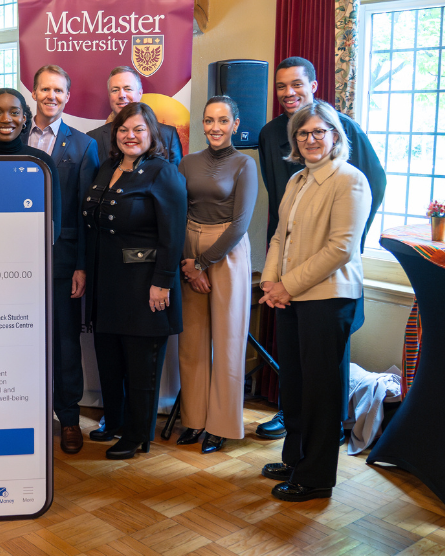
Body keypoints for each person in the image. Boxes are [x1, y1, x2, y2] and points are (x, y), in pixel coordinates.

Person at [255, 57, 386, 439]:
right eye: (281, 86)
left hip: (329, 274)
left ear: (314, 85)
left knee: (325, 372)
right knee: (296, 367)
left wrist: (345, 246)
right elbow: (280, 214)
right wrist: (274, 277)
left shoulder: (344, 136)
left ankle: (324, 445)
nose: (288, 92)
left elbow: (367, 191)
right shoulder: (271, 137)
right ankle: (292, 433)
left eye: (297, 84)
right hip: (288, 268)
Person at [258, 100, 370, 501]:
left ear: (335, 136)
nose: (310, 139)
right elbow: (278, 237)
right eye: (303, 133)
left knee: (321, 391)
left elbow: (340, 249)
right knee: (296, 384)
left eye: (319, 132)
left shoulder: (349, 180)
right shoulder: (297, 180)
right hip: (289, 297)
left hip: (327, 300)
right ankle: (295, 459)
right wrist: (270, 283)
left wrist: (287, 285)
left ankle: (317, 477)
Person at [82, 102, 187, 460]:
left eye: (139, 130)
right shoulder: (108, 166)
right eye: (124, 130)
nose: (130, 136)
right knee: (109, 358)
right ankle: (115, 421)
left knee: (140, 364)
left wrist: (163, 282)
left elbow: (173, 235)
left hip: (144, 284)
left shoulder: (164, 172)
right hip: (106, 281)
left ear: (152, 134)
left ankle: (137, 433)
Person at [176, 96, 257, 454]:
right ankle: (193, 420)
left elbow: (240, 224)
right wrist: (188, 263)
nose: (215, 128)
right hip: (189, 251)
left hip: (226, 252)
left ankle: (221, 425)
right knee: (191, 343)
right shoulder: (187, 162)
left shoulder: (245, 164)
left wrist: (203, 263)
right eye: (209, 120)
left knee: (227, 342)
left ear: (235, 124)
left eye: (223, 121)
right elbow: (177, 212)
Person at [27, 65, 99, 454]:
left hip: (62, 261)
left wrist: (81, 265)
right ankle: (23, 412)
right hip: (11, 261)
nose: (51, 96)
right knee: (17, 338)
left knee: (64, 343)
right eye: (44, 89)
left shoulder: (84, 146)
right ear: (33, 93)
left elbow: (86, 214)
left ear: (67, 97)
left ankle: (68, 418)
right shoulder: (12, 135)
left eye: (58, 90)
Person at [0, 87, 63, 242]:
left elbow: (53, 224)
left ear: (24, 118)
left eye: (14, 112)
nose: (6, 119)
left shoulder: (41, 162)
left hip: (27, 255)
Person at [87, 66, 183, 167]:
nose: (122, 95)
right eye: (115, 90)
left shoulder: (168, 135)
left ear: (140, 93)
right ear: (109, 96)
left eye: (128, 89)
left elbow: (177, 179)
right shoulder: (93, 138)